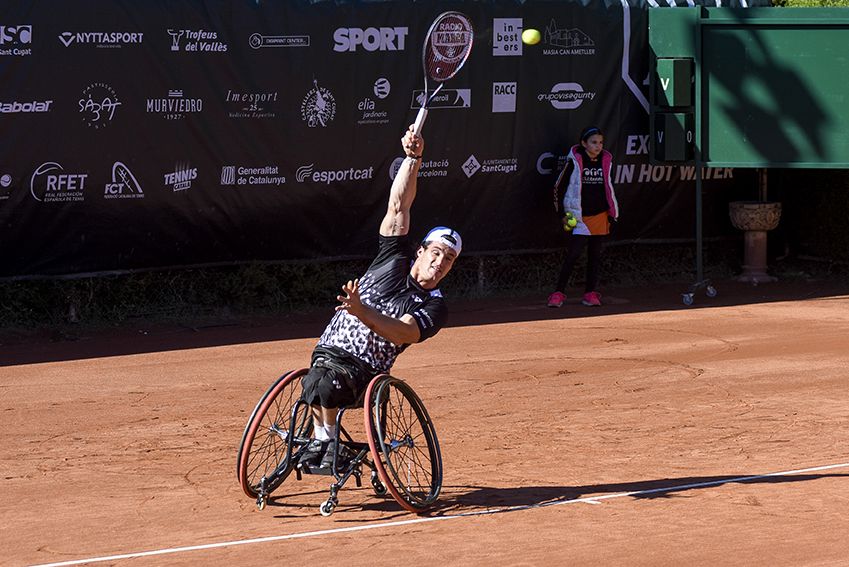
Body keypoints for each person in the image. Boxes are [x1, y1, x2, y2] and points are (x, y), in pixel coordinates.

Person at [298, 125, 462, 470]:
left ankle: (325, 443)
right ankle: (324, 441)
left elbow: (405, 332)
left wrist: (361, 312)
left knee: (325, 385)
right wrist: (413, 158)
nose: (440, 262)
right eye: (436, 253)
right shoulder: (393, 257)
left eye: (448, 259)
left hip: (365, 370)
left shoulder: (435, 306)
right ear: (420, 251)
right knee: (313, 381)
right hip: (327, 351)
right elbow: (399, 205)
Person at [547, 126, 619, 308]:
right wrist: (562, 215)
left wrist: (612, 212)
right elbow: (557, 187)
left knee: (595, 257)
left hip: (600, 215)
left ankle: (590, 294)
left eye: (600, 142)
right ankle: (558, 294)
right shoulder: (574, 162)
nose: (598, 146)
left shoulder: (606, 161)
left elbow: (609, 188)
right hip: (578, 217)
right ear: (584, 144)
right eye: (594, 142)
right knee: (573, 255)